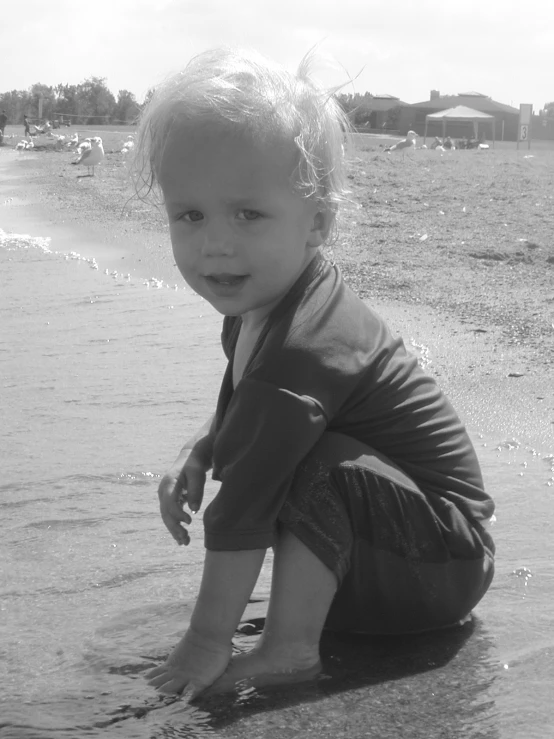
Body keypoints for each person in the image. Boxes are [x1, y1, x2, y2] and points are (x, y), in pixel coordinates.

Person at [132, 47, 495, 700]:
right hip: (401, 554)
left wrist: (207, 639)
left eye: (248, 213)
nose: (215, 241)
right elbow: (249, 407)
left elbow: (244, 502)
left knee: (307, 456)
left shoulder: (303, 342)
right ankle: (300, 624)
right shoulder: (264, 303)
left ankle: (289, 649)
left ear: (318, 223)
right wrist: (203, 445)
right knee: (294, 446)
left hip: (444, 562)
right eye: (191, 214)